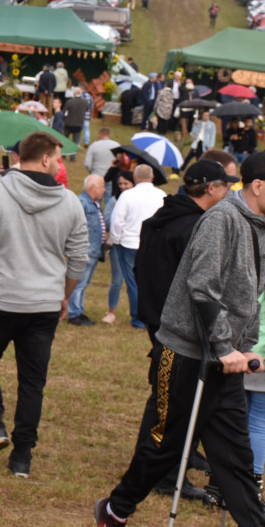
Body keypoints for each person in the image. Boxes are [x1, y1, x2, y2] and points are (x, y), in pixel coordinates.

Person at [95, 153, 265, 527]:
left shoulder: (258, 226)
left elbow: (249, 296)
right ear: (258, 186)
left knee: (236, 459)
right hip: (187, 353)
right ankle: (116, 509)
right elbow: (202, 288)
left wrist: (245, 345)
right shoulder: (222, 220)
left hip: (227, 358)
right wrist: (224, 347)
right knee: (164, 445)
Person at [0, 131, 88, 479]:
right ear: (45, 158)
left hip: (3, 298)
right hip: (44, 304)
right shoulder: (70, 202)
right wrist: (63, 294)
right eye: (59, 159)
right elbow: (79, 258)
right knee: (32, 380)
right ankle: (21, 456)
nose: (61, 166)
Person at [131, 159, 237, 498]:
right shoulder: (195, 227)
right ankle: (164, 475)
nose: (228, 192)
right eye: (225, 186)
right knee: (176, 400)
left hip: (157, 315)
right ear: (210, 189)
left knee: (166, 395)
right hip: (178, 325)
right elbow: (198, 283)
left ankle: (179, 457)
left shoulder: (164, 217)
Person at [108, 164, 166, 329]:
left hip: (130, 243)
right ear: (152, 177)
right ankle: (152, 315)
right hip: (152, 243)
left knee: (133, 282)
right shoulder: (161, 195)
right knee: (151, 280)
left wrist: (116, 239)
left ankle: (138, 317)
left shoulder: (127, 195)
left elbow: (117, 220)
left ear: (134, 178)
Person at [66, 175, 106, 327]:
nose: (103, 190)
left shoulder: (94, 203)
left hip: (94, 250)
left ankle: (78, 310)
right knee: (79, 283)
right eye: (101, 187)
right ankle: (75, 314)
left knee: (84, 283)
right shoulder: (82, 202)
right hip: (85, 250)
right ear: (93, 187)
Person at [103, 170, 135, 324]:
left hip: (133, 244)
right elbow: (108, 222)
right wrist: (117, 211)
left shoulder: (137, 200)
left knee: (136, 280)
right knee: (117, 279)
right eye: (120, 184)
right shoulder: (113, 200)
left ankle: (137, 312)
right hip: (117, 244)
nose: (123, 186)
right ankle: (111, 312)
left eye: (126, 183)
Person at [62, 89, 86, 159]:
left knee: (65, 140)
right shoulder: (84, 102)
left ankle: (64, 154)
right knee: (75, 142)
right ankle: (73, 157)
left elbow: (64, 111)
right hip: (78, 124)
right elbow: (87, 108)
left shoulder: (70, 102)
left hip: (68, 123)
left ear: (74, 93)